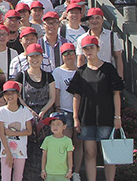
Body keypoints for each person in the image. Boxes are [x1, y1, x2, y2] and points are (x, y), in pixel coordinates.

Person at [67, 35, 123, 181]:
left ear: (98, 49)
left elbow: (116, 94)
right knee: (89, 152)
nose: (89, 51)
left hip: (106, 116)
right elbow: (76, 96)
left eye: (91, 48)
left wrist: (117, 116)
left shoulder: (109, 69)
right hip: (87, 117)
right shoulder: (81, 71)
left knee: (108, 153)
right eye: (86, 49)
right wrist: (75, 118)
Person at [13, 43, 57, 178]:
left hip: (45, 118)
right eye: (32, 56)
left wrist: (43, 110)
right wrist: (29, 111)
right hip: (27, 118)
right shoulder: (21, 76)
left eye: (37, 56)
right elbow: (17, 96)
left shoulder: (49, 76)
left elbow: (52, 97)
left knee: (45, 151)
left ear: (42, 57)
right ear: (27, 58)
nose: (35, 59)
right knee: (28, 152)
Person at [51, 42, 83, 178]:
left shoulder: (81, 71)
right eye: (65, 54)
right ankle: (65, 172)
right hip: (64, 110)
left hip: (80, 112)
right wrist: (58, 108)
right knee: (66, 143)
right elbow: (57, 91)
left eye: (71, 53)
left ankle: (76, 173)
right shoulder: (57, 71)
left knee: (79, 143)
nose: (69, 56)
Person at [0, 80, 34, 181]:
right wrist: (8, 153)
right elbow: (2, 134)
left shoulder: (25, 111)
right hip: (5, 151)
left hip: (21, 151)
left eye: (12, 93)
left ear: (18, 94)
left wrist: (13, 133)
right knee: (5, 177)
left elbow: (29, 131)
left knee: (18, 177)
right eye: (7, 94)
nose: (10, 96)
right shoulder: (1, 111)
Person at [75, 8, 124, 79]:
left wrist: (120, 77)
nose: (94, 21)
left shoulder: (111, 36)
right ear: (88, 21)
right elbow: (81, 60)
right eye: (91, 18)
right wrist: (80, 79)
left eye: (97, 18)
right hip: (89, 75)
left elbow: (118, 57)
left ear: (102, 20)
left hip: (108, 74)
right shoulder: (82, 38)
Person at [40, 112, 75, 181]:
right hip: (49, 173)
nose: (55, 127)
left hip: (63, 173)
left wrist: (70, 170)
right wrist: (43, 170)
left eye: (58, 124)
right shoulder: (47, 139)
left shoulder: (67, 141)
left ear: (64, 126)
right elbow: (44, 156)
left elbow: (69, 157)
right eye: (53, 124)